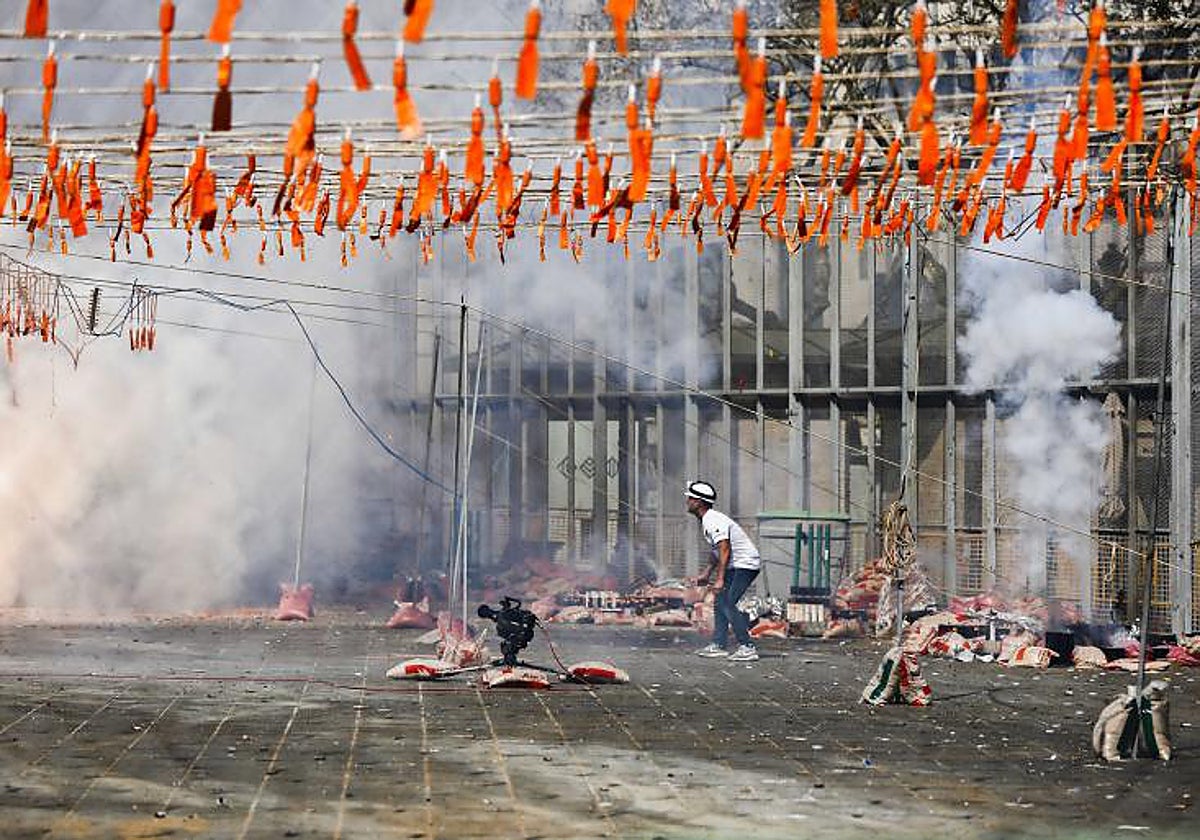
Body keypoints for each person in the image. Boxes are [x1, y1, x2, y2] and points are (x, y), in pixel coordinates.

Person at [685, 480, 761, 662]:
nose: (687, 501)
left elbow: (724, 547)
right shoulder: (707, 520)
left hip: (746, 564)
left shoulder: (712, 519)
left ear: (699, 502)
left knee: (726, 602)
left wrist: (719, 579)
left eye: (690, 498)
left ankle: (747, 646)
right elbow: (716, 551)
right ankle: (719, 645)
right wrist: (706, 573)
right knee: (720, 602)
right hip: (737, 565)